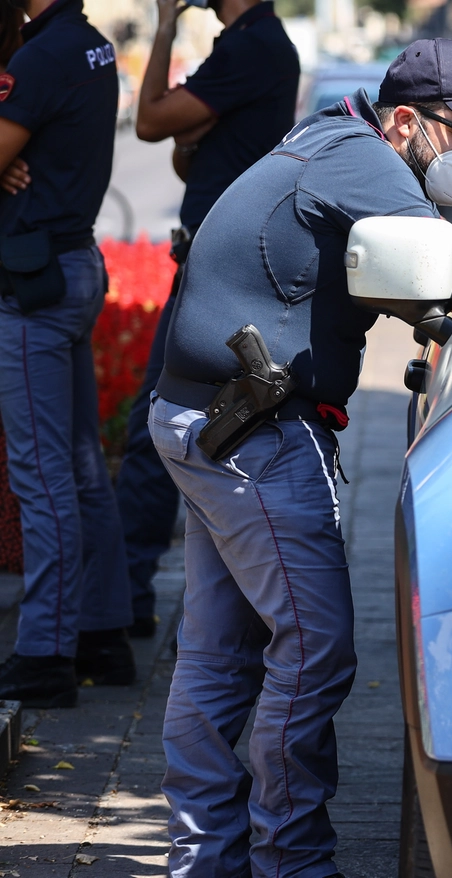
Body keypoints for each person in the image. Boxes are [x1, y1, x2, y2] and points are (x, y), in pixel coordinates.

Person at [151, 38, 452, 877]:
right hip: (255, 434)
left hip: (206, 421)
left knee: (217, 656)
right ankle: (293, 860)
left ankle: (203, 859)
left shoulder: (331, 138)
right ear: (408, 122)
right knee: (315, 650)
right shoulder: (366, 161)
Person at [117, 0, 299, 639]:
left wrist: (165, 24)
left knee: (163, 429)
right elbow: (184, 156)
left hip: (214, 277)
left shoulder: (252, 47)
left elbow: (149, 123)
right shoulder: (247, 45)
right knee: (201, 434)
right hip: (216, 267)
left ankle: (128, 599)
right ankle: (160, 602)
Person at [0, 0, 135, 708]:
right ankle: (102, 635)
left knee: (43, 473)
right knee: (82, 466)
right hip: (74, 264)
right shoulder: (90, 46)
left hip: (34, 284)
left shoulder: (42, 56)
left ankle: (46, 653)